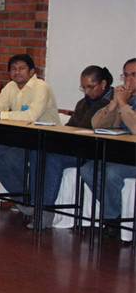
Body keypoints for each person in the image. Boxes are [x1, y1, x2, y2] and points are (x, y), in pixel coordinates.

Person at [0, 54, 60, 219]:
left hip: (45, 140)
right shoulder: (10, 87)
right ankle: (24, 199)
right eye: (13, 69)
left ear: (31, 71)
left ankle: (29, 199)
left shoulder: (41, 87)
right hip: (21, 138)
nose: (17, 72)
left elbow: (31, 115)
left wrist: (0, 115)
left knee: (11, 157)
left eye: (21, 68)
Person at [34, 65, 115, 229]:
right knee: (38, 151)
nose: (86, 91)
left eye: (90, 87)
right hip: (76, 146)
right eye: (83, 87)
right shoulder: (82, 103)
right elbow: (71, 126)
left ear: (103, 84)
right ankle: (34, 202)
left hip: (94, 151)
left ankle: (46, 210)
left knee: (54, 159)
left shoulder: (112, 103)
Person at [81, 58, 136, 234]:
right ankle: (114, 215)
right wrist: (113, 104)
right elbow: (96, 124)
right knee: (88, 169)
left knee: (112, 173)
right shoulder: (124, 98)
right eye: (126, 75)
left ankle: (111, 220)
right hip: (123, 154)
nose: (128, 80)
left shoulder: (127, 101)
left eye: (134, 75)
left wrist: (124, 104)